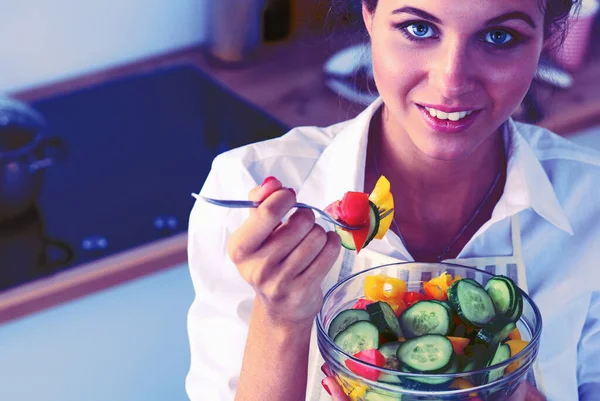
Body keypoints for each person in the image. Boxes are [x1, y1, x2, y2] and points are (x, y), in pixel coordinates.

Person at [185, 0, 600, 400]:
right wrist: (279, 318)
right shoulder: (244, 186)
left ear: (546, 38)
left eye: (498, 35)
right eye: (418, 29)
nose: (451, 81)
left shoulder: (590, 199)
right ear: (369, 13)